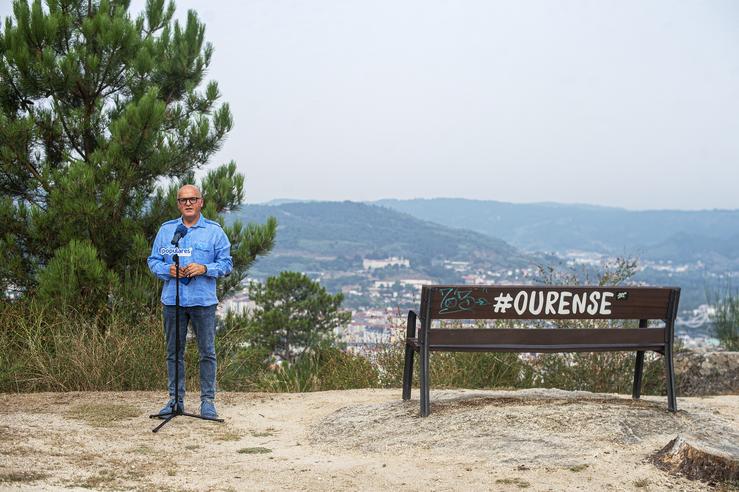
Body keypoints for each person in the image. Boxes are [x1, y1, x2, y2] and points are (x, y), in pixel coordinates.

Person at [147, 185, 233, 419]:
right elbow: (153, 261)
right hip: (173, 301)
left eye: (193, 199)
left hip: (202, 301)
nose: (188, 203)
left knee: (207, 352)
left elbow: (227, 264)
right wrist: (168, 269)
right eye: (183, 200)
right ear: (178, 204)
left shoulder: (214, 232)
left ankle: (208, 402)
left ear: (201, 202)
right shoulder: (167, 231)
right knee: (174, 352)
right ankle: (175, 401)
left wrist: (204, 268)